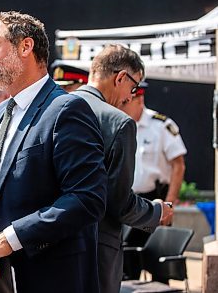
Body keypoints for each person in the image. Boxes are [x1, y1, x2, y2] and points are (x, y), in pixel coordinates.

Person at [0, 11, 108, 292]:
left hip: (48, 278)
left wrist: (12, 237)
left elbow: (87, 198)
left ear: (26, 46)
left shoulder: (66, 110)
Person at [72, 44, 173, 293]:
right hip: (96, 252)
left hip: (48, 248)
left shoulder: (52, 108)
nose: (130, 97)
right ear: (120, 78)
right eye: (133, 87)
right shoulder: (119, 122)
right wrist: (156, 211)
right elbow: (118, 203)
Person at [120, 82, 187, 204]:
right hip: (126, 200)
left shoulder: (161, 126)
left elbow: (178, 165)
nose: (121, 107)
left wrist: (170, 202)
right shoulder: (120, 126)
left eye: (125, 103)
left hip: (154, 199)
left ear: (140, 100)